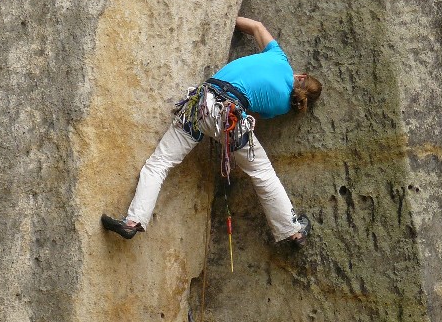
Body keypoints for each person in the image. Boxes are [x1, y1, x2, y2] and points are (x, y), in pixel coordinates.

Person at [101, 16, 322, 246]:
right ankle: (292, 230)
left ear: (302, 77)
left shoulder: (279, 58)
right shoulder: (282, 106)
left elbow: (256, 27)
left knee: (159, 163)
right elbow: (256, 110)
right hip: (229, 118)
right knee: (262, 173)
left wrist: (227, 18)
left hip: (200, 104)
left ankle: (133, 221)